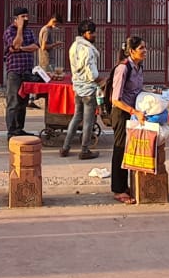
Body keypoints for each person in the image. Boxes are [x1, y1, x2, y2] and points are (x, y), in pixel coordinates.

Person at [107, 37, 148, 205]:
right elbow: (115, 99)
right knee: (120, 149)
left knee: (129, 149)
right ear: (131, 51)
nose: (145, 51)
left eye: (145, 48)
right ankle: (118, 189)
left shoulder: (138, 67)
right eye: (141, 48)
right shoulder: (123, 69)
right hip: (121, 113)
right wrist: (134, 111)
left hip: (133, 112)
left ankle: (125, 185)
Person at [61, 19, 101, 160]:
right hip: (89, 89)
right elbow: (92, 73)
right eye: (91, 33)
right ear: (84, 33)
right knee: (88, 121)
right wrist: (100, 80)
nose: (94, 35)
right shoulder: (88, 49)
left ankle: (65, 147)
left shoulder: (73, 46)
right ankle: (84, 150)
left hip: (78, 88)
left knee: (76, 116)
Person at [2, 8, 37, 138]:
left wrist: (21, 48)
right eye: (23, 17)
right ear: (16, 19)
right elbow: (15, 45)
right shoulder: (9, 32)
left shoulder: (29, 31)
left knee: (23, 102)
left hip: (27, 71)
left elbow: (35, 47)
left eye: (27, 16)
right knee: (13, 102)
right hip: (14, 72)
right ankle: (11, 132)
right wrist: (20, 29)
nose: (26, 19)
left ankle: (19, 129)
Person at [34, 11, 60, 83]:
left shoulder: (48, 29)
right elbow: (43, 47)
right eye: (57, 24)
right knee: (47, 81)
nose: (57, 26)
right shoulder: (46, 30)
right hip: (46, 61)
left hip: (47, 60)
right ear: (54, 21)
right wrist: (55, 44)